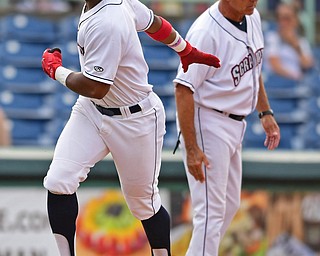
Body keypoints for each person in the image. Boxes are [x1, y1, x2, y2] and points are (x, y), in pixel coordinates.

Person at [41, 0, 220, 256]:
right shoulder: (117, 3)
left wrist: (56, 70)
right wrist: (184, 49)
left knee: (143, 204)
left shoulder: (108, 20)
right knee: (59, 180)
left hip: (135, 119)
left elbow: (96, 86)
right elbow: (154, 23)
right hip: (92, 110)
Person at [173, 0, 281, 255]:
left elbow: (253, 69)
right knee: (210, 214)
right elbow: (182, 89)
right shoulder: (205, 32)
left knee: (229, 205)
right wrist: (191, 149)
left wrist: (264, 111)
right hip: (209, 121)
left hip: (235, 122)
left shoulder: (251, 16)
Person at [263, 2, 314, 81]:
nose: (283, 23)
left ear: (295, 20)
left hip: (298, 86)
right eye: (280, 18)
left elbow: (307, 65)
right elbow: (275, 65)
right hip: (277, 84)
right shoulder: (272, 38)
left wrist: (295, 45)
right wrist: (297, 77)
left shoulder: (301, 41)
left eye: (287, 18)